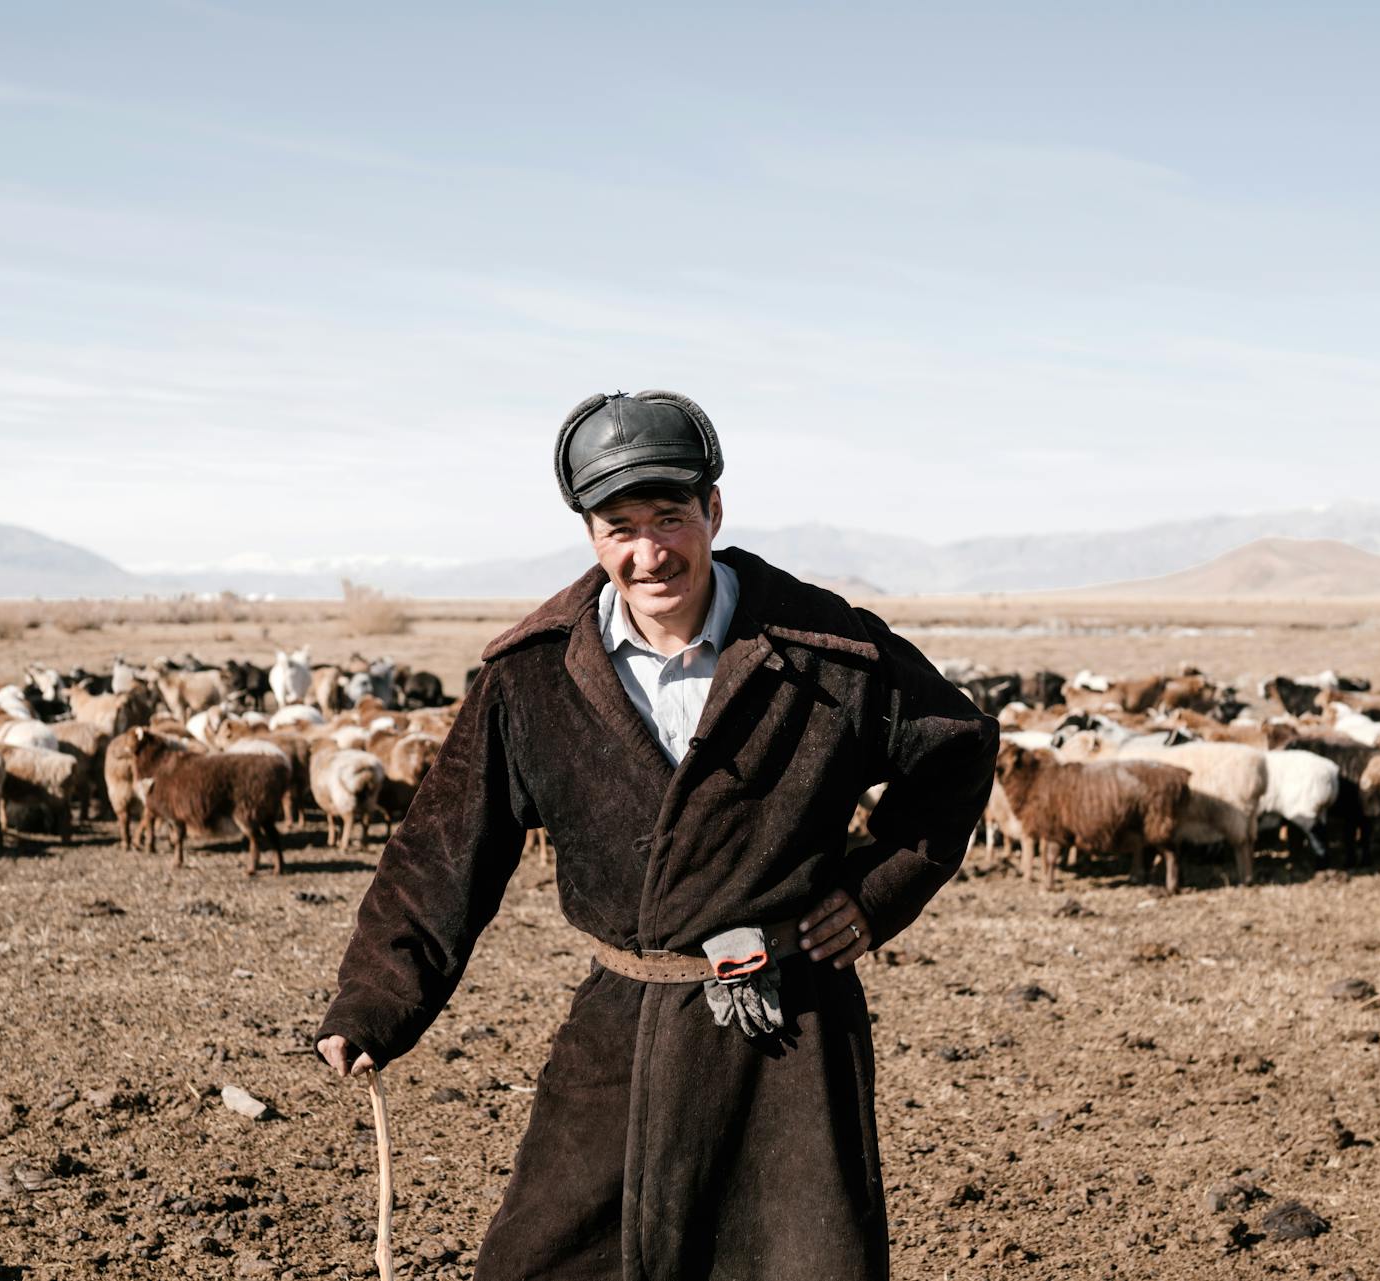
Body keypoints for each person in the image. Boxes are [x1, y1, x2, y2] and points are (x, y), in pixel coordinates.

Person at [317, 389, 996, 1279]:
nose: (649, 552)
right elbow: (446, 846)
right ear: (591, 535)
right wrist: (377, 997)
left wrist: (876, 892)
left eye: (670, 517)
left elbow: (957, 747)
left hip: (787, 1030)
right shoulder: (534, 674)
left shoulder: (827, 646)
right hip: (621, 1027)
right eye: (619, 526)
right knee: (544, 1261)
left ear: (713, 510)